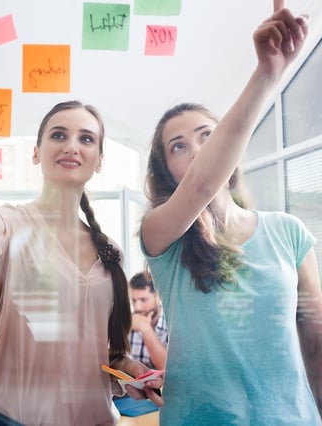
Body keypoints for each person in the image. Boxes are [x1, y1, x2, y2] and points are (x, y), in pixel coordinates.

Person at [0, 14, 162, 426]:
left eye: (86, 138)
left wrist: (133, 370)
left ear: (98, 161)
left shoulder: (107, 250)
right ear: (36, 152)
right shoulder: (9, 228)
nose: (72, 145)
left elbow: (106, 354)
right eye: (58, 134)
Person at [139, 5, 322, 425]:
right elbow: (201, 185)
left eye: (209, 136)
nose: (199, 150)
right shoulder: (159, 235)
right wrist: (268, 72)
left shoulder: (288, 232)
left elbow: (315, 340)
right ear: (165, 170)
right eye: (178, 146)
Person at [128, 271, 168, 370]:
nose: (137, 308)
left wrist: (145, 329)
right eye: (134, 300)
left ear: (158, 296)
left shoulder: (172, 324)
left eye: (143, 300)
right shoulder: (128, 323)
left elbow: (166, 369)